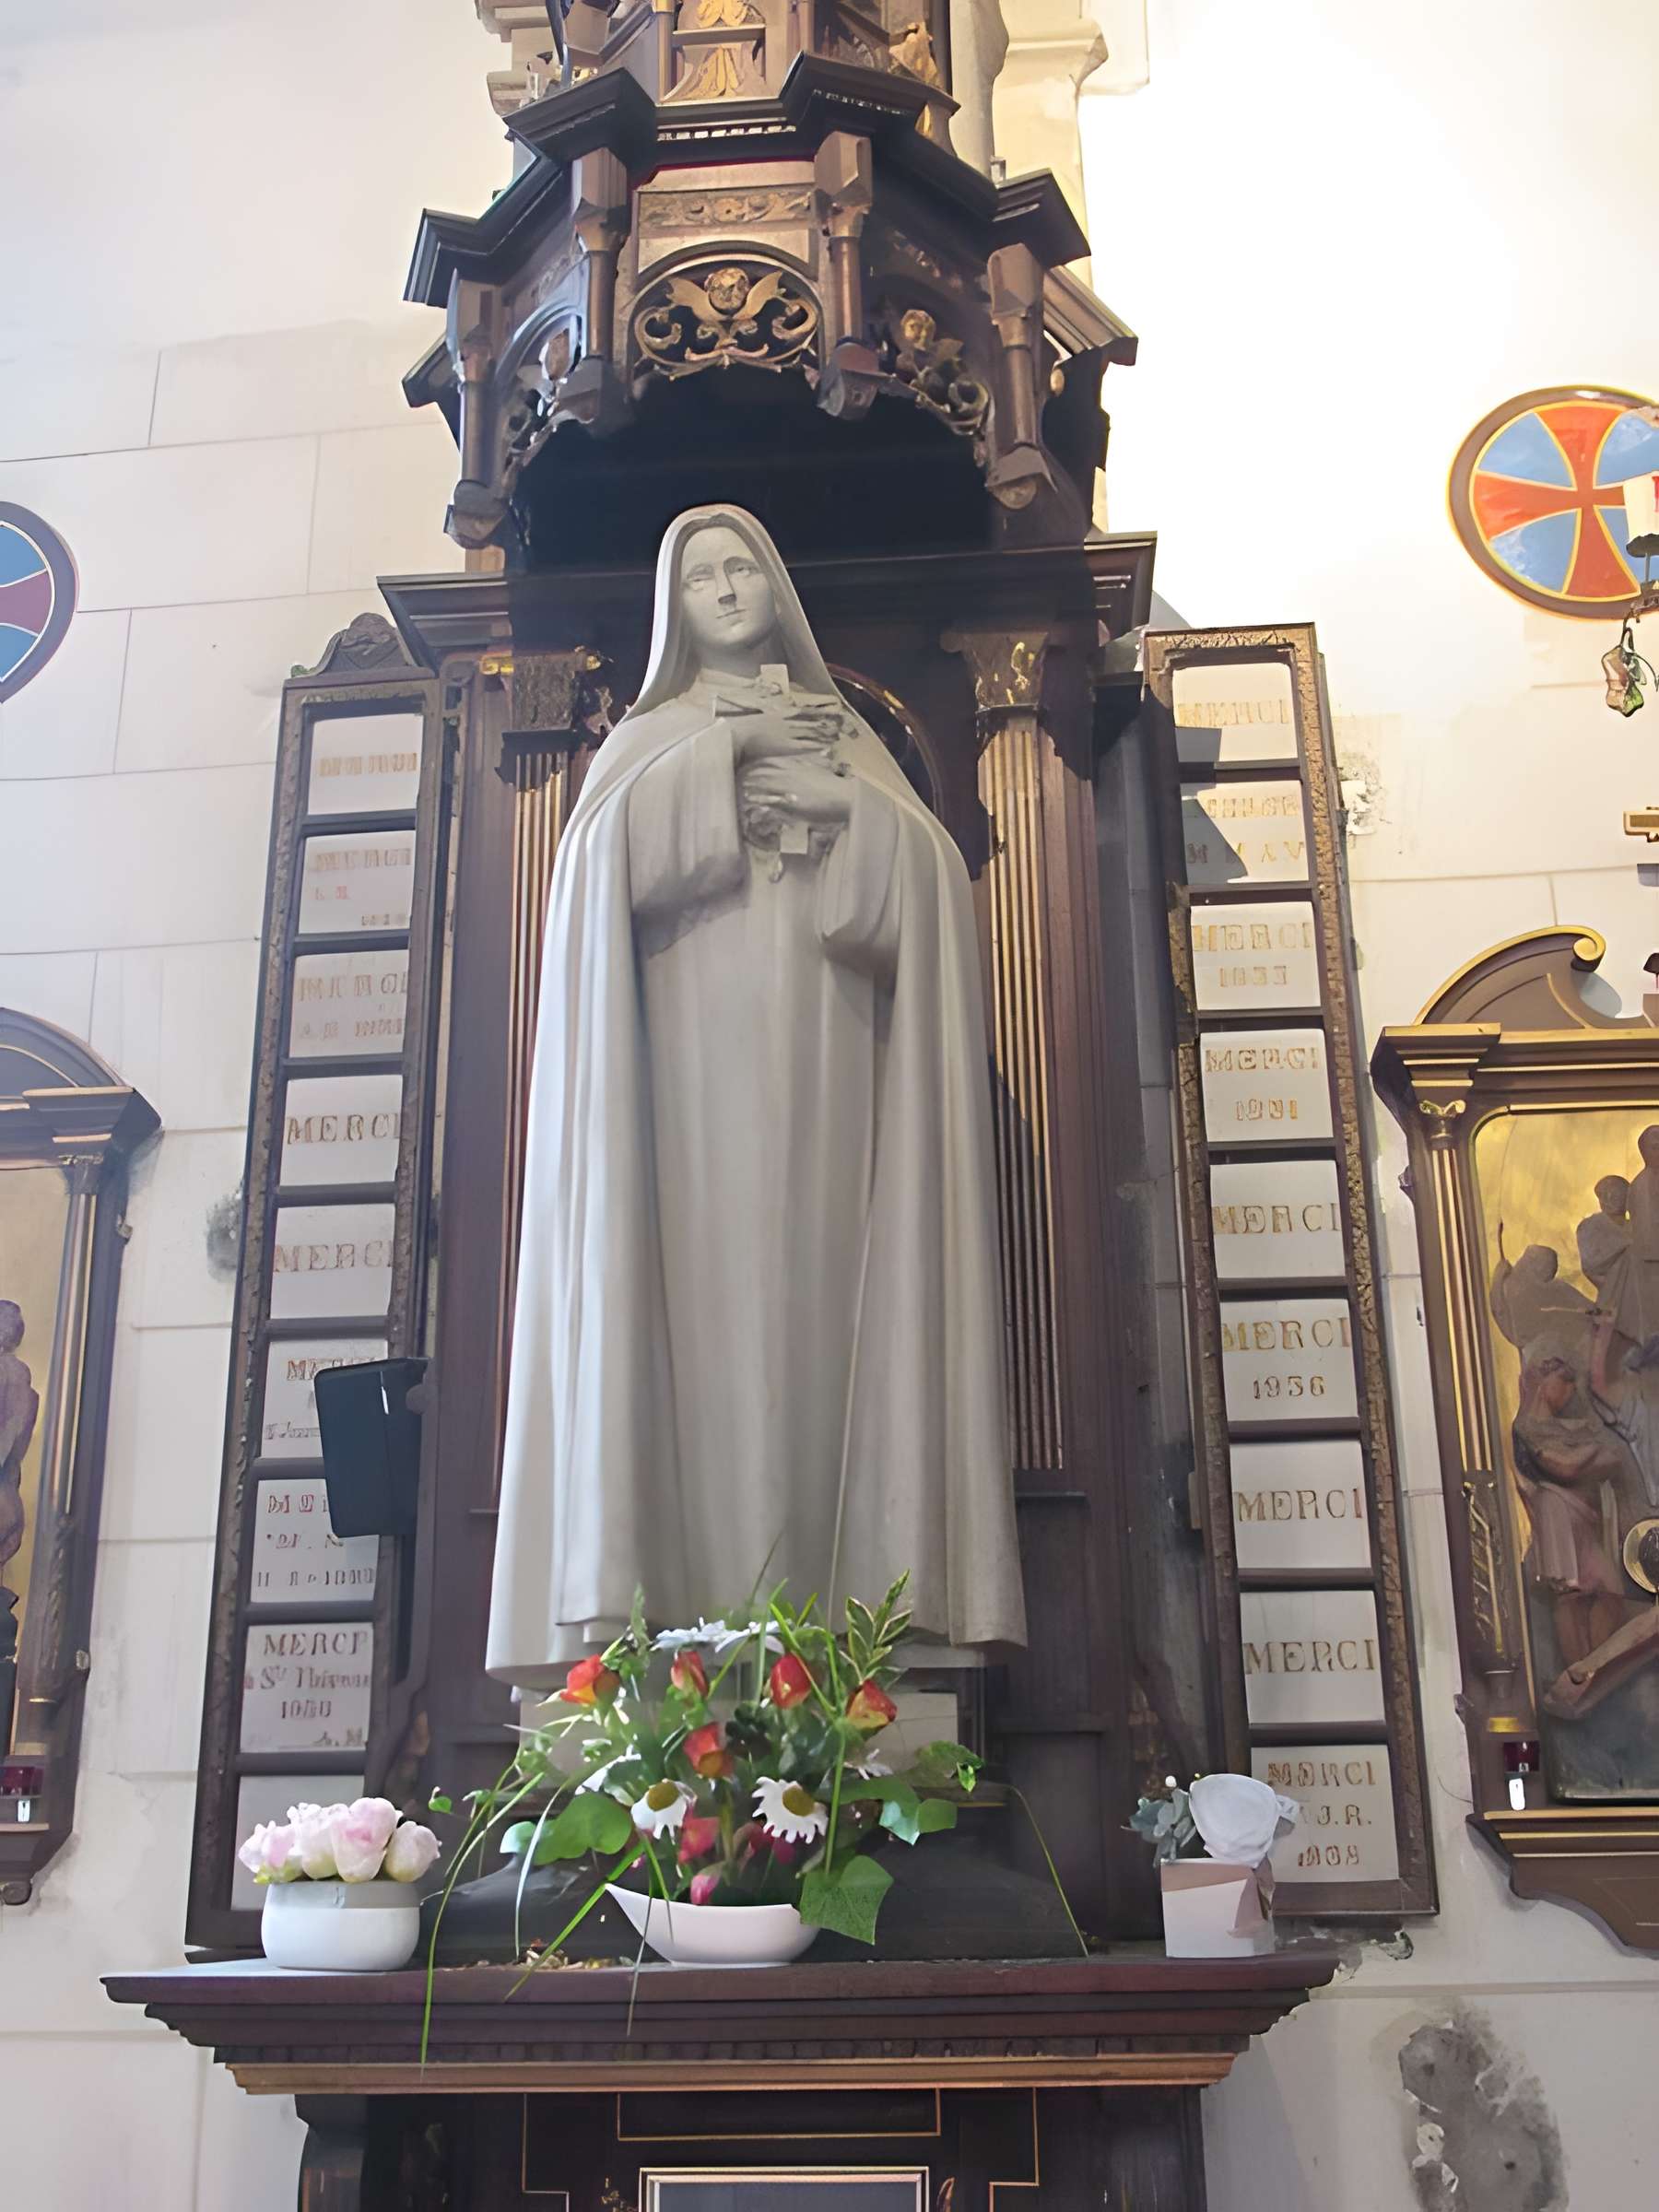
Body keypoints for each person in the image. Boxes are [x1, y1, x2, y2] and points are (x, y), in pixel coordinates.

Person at [488, 506, 1025, 1687]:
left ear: (777, 587)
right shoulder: (648, 738)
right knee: (692, 1316)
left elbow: (935, 883)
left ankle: (843, 1632)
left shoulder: (847, 740)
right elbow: (589, 884)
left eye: (743, 569)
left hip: (832, 1061)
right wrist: (721, 763)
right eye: (703, 577)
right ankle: (670, 1631)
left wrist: (845, 815)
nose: (727, 590)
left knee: (816, 1311)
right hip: (678, 1081)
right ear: (672, 610)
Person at [1511, 1338, 1632, 1665]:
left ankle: (1595, 1664)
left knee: (1610, 1592)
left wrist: (1590, 1452)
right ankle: (1577, 1669)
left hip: (1584, 1519)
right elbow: (1564, 1466)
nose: (1569, 1390)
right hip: (1557, 1513)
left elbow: (1613, 1458)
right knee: (1570, 1594)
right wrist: (1592, 1450)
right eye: (1564, 1381)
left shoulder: (1564, 1428)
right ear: (1542, 1380)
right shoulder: (1527, 1428)